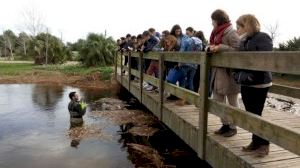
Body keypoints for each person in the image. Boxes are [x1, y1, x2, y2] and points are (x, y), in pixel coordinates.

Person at [235, 14, 273, 157]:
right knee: (251, 113)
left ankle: (264, 144)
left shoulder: (263, 37)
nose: (237, 30)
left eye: (239, 27)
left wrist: (249, 75)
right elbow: (238, 60)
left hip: (259, 82)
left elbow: (264, 60)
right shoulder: (244, 40)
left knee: (256, 113)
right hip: (246, 82)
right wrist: (238, 75)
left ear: (247, 26)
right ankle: (255, 141)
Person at [209, 9, 240, 137]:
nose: (212, 23)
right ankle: (225, 124)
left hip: (229, 73)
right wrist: (209, 48)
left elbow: (238, 50)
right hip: (218, 72)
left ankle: (233, 127)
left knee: (232, 101)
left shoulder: (231, 32)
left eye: (213, 20)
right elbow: (212, 44)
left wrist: (221, 48)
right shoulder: (215, 33)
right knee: (217, 100)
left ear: (218, 20)